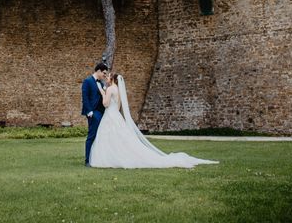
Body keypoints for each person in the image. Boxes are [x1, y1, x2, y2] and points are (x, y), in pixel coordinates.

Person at [89, 73, 219, 169]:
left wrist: (102, 92)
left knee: (111, 138)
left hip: (110, 115)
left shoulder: (110, 89)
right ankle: (117, 156)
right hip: (116, 115)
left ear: (112, 80)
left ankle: (112, 158)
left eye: (108, 77)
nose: (106, 78)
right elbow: (117, 107)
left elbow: (106, 104)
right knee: (120, 139)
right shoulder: (117, 89)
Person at [81, 62, 108, 166]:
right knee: (92, 135)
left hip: (101, 112)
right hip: (92, 113)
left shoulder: (101, 84)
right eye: (104, 73)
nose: (105, 76)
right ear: (98, 71)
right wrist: (89, 111)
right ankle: (87, 160)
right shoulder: (87, 81)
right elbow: (85, 97)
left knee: (100, 136)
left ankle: (96, 158)